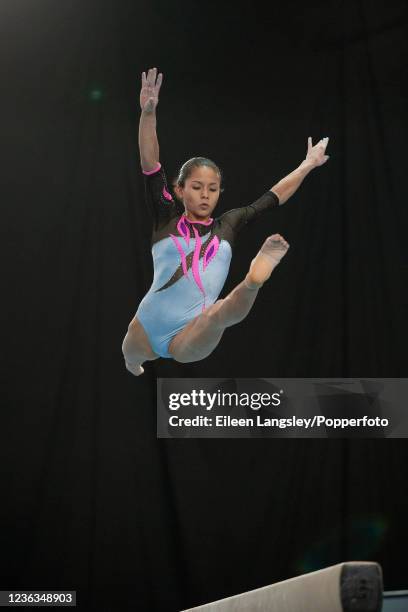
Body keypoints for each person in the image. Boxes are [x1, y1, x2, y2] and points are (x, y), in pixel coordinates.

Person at [122, 67, 330, 375]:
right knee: (130, 358)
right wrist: (147, 113)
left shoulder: (228, 225)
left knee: (217, 315)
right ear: (179, 190)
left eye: (213, 189)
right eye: (196, 187)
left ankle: (254, 280)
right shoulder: (165, 216)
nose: (205, 195)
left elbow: (272, 197)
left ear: (220, 192)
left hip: (189, 334)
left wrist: (307, 165)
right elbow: (150, 163)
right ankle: (134, 366)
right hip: (147, 324)